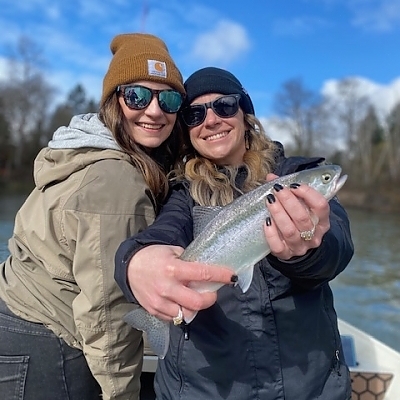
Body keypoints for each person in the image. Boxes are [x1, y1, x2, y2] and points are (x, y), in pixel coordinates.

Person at [0, 34, 234, 400]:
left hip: (14, 315)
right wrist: (121, 394)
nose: (155, 111)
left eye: (169, 99)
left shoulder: (80, 150)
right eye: (137, 96)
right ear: (114, 101)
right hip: (49, 344)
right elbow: (107, 311)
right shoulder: (116, 179)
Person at [115, 67, 354, 400]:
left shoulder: (295, 175)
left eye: (224, 106)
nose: (211, 120)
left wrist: (310, 250)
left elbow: (338, 247)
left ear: (246, 116)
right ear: (187, 132)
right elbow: (161, 233)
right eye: (195, 114)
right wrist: (133, 262)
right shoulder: (181, 196)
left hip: (310, 388)